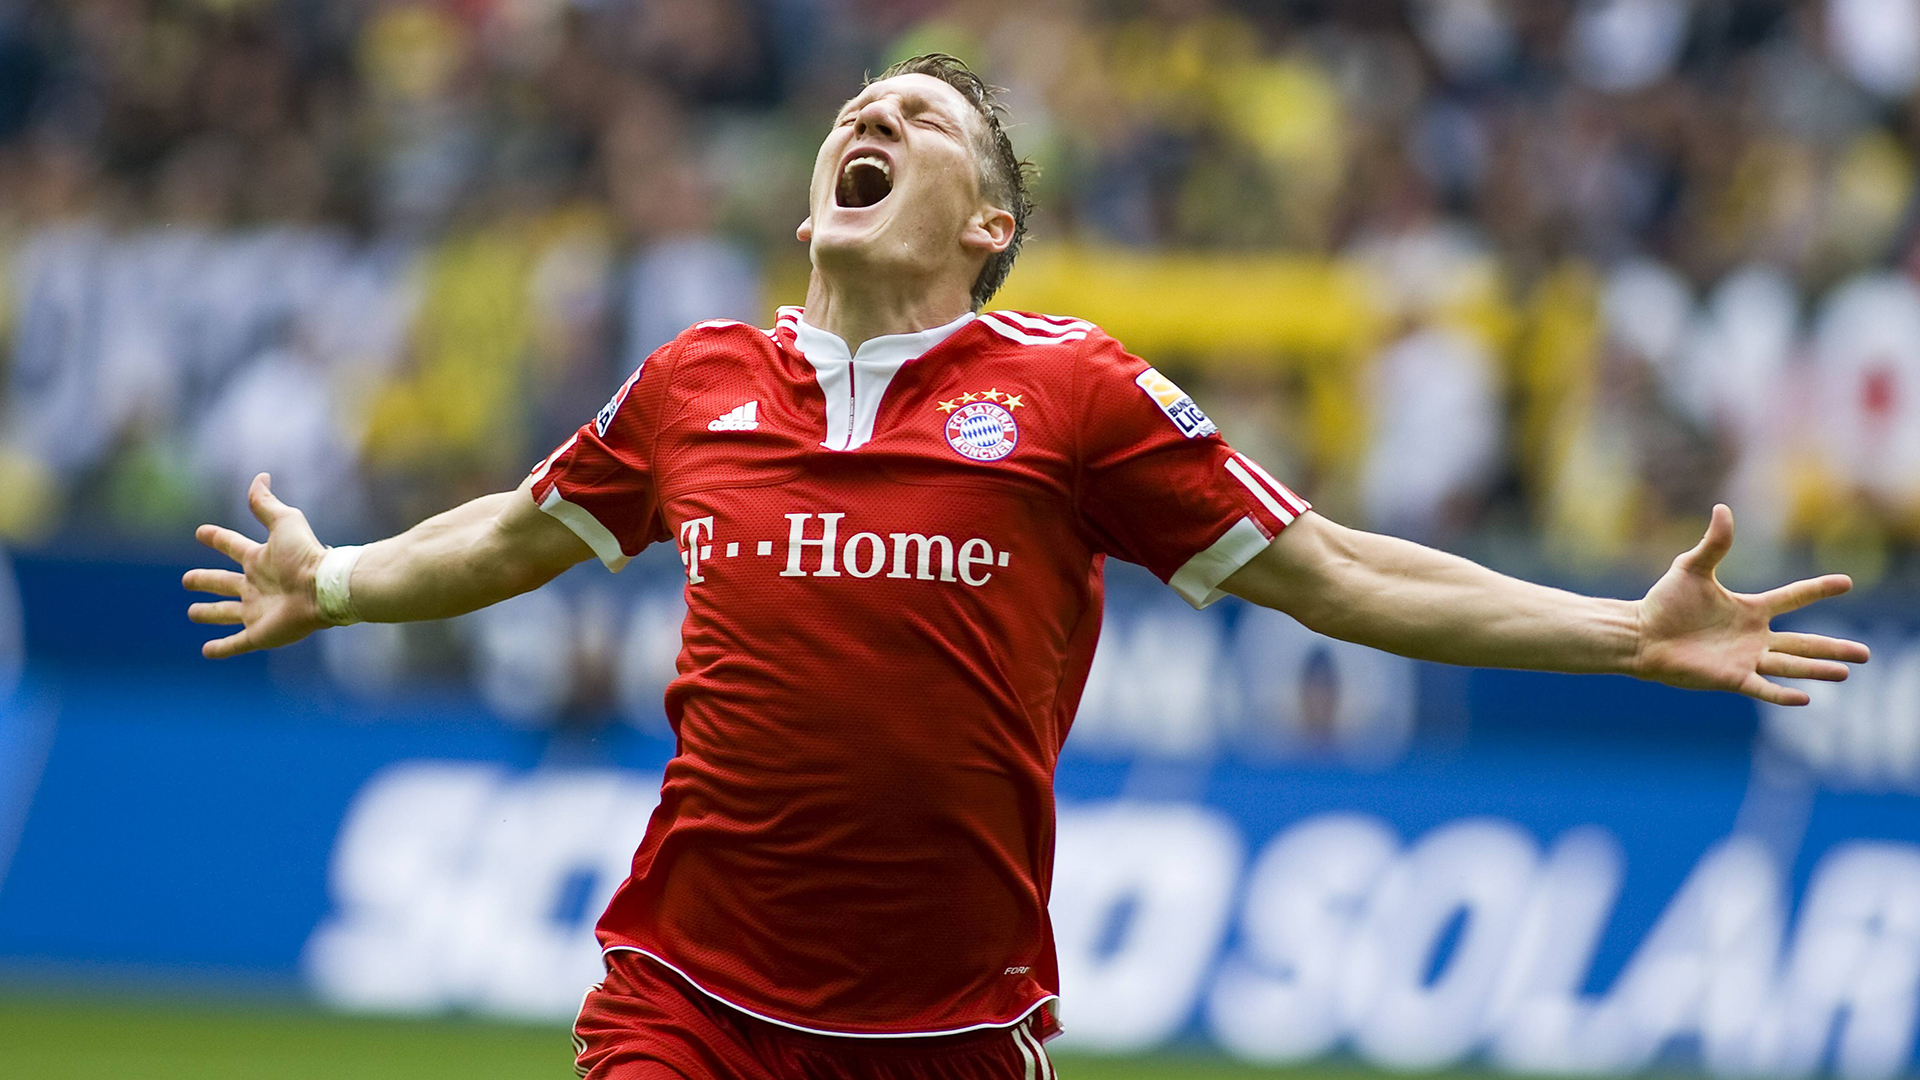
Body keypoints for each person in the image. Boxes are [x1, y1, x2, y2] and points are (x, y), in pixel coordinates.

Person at [183, 55, 1869, 1080]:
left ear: (986, 227)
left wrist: (1622, 635)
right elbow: (512, 532)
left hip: (949, 1034)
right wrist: (333, 581)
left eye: (920, 121)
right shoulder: (694, 383)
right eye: (861, 111)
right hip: (684, 999)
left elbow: (1336, 572)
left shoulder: (1071, 395)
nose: (874, 117)